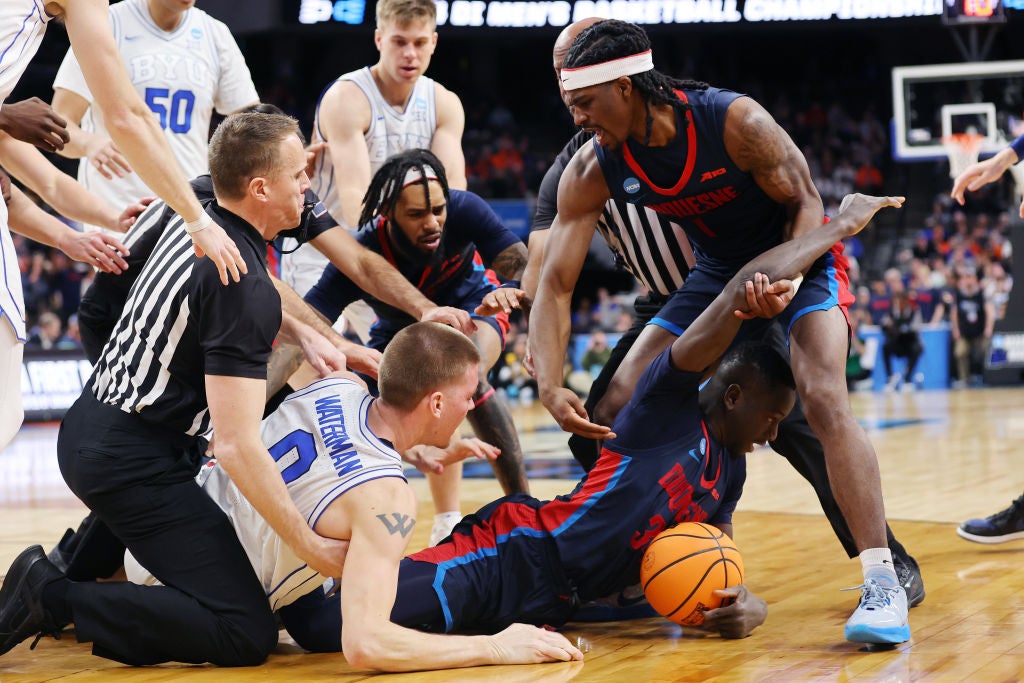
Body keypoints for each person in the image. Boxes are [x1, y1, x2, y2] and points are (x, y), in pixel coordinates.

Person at [283, 194, 910, 652]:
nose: (776, 433)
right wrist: (837, 228)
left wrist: (744, 605)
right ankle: (273, 574)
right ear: (733, 394)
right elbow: (722, 305)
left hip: (571, 604)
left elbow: (715, 557)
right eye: (773, 417)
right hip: (519, 555)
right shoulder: (666, 404)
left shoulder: (733, 473)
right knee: (319, 630)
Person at [524, 17, 923, 615]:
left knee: (819, 398)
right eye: (568, 103)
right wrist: (549, 383)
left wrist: (785, 281)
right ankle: (635, 561)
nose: (576, 118)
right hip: (713, 276)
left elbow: (805, 200)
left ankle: (883, 578)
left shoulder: (733, 120)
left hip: (804, 257)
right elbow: (553, 284)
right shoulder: (588, 167)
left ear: (626, 86)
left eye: (583, 102)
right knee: (613, 405)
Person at [0, 112, 347, 666]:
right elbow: (234, 447)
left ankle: (75, 565)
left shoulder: (191, 208)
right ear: (260, 188)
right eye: (299, 175)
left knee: (181, 455)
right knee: (245, 632)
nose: (308, 185)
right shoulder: (245, 287)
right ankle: (52, 594)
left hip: (96, 421)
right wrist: (311, 547)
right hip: (129, 458)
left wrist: (303, 330)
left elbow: (105, 306)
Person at [121, 322, 583, 671]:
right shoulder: (388, 499)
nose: (470, 405)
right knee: (266, 634)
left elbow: (343, 441)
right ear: (437, 403)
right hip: (181, 593)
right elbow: (366, 645)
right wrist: (498, 646)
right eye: (468, 395)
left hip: (164, 529)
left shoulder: (340, 386)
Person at [0, 0, 246, 453]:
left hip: (157, 215)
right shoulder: (106, 19)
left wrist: (85, 231)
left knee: (6, 414)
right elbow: (110, 119)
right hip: (174, 219)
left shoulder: (213, 34)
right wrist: (196, 218)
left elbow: (43, 185)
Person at [304, 149, 530, 545]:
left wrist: (509, 289)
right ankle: (346, 522)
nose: (432, 223)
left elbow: (521, 262)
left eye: (438, 211)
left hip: (473, 310)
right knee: (360, 412)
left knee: (464, 366)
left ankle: (523, 507)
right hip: (396, 333)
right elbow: (310, 317)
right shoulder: (363, 249)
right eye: (416, 216)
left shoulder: (464, 209)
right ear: (387, 213)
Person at [287, 0, 467, 319]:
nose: (410, 53)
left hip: (391, 258)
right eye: (399, 41)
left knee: (405, 364)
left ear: (434, 43)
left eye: (419, 42)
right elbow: (359, 207)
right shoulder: (348, 98)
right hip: (326, 249)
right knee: (313, 359)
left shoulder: (444, 103)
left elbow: (453, 194)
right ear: (379, 39)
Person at [51, 0, 259, 233]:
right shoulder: (106, 21)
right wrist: (90, 144)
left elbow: (253, 129)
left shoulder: (215, 33)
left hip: (191, 209)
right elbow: (58, 125)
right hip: (118, 210)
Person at [948, 267, 994, 388]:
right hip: (965, 333)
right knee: (960, 352)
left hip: (980, 333)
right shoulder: (958, 294)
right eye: (965, 277)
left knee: (985, 350)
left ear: (974, 279)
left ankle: (986, 377)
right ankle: (964, 378)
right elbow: (954, 313)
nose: (967, 280)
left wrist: (988, 329)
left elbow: (989, 312)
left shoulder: (981, 293)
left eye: (970, 277)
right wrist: (956, 329)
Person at [880, 289, 923, 392]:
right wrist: (889, 327)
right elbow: (883, 325)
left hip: (910, 344)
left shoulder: (914, 310)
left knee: (918, 348)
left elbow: (915, 328)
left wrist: (898, 329)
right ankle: (890, 377)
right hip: (897, 343)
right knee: (885, 347)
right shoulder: (892, 312)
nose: (897, 304)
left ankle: (907, 379)